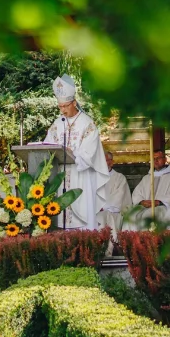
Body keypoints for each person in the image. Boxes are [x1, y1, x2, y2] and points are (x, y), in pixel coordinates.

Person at [42, 75, 110, 229]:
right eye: (60, 107)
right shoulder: (57, 124)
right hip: (60, 176)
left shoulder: (87, 124)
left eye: (65, 106)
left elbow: (89, 153)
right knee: (60, 219)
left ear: (74, 102)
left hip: (81, 175)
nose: (62, 110)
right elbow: (47, 146)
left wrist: (71, 152)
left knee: (82, 217)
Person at [131, 150, 170, 221]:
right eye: (153, 159)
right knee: (131, 215)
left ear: (165, 159)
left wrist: (158, 202)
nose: (155, 161)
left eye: (158, 158)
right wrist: (142, 202)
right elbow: (137, 193)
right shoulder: (146, 178)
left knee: (150, 215)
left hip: (163, 207)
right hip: (144, 207)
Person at [97, 151, 132, 241]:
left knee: (101, 217)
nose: (103, 163)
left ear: (111, 162)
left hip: (112, 211)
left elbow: (118, 197)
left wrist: (102, 207)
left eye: (105, 160)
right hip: (96, 210)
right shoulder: (95, 177)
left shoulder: (119, 178)